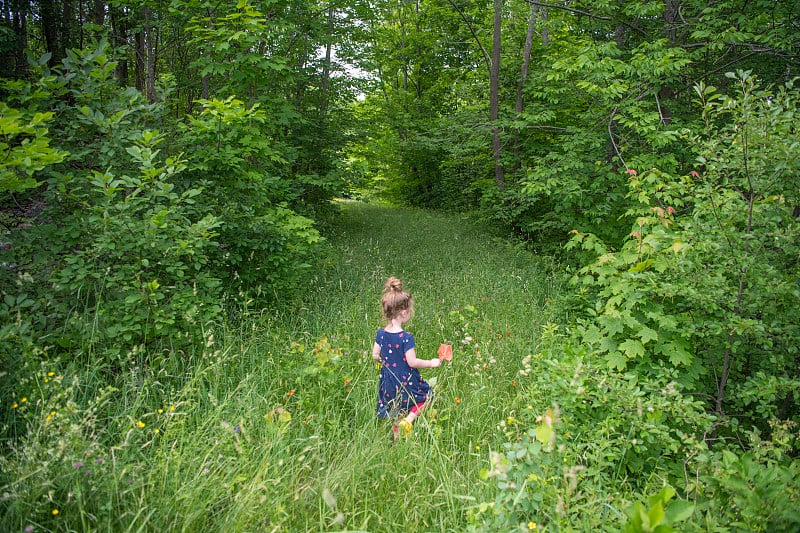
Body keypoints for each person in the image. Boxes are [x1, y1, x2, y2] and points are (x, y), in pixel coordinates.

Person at [372, 277, 441, 438]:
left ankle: (398, 440)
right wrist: (431, 363)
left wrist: (383, 360)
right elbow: (412, 361)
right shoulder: (405, 337)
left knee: (397, 409)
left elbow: (375, 354)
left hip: (388, 381)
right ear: (403, 312)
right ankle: (409, 420)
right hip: (406, 380)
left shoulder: (381, 334)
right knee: (428, 396)